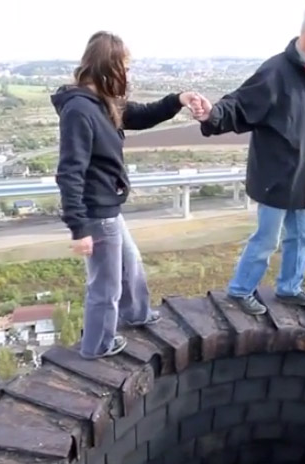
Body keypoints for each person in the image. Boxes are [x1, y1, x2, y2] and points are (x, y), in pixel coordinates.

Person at [52, 31, 206, 359]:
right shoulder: (80, 110)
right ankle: (97, 346)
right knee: (105, 287)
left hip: (108, 206)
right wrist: (78, 228)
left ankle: (136, 314)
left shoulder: (101, 103)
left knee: (130, 263)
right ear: (110, 68)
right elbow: (70, 172)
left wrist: (178, 99)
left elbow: (141, 114)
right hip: (96, 211)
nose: (128, 75)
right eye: (126, 67)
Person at [191, 0, 305, 315]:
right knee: (267, 239)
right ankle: (240, 291)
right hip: (277, 177)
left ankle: (289, 288)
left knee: (302, 236)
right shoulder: (276, 72)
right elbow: (240, 104)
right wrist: (212, 115)